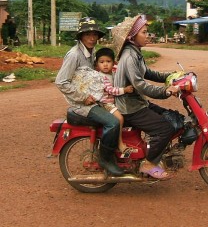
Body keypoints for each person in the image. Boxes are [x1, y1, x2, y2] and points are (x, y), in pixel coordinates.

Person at [112, 15, 179, 180]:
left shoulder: (135, 52)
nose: (147, 35)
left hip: (138, 102)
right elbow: (140, 85)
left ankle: (158, 154)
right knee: (165, 128)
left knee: (172, 118)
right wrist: (165, 92)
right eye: (144, 32)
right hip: (130, 107)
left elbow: (148, 73)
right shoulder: (129, 56)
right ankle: (148, 163)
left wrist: (171, 76)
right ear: (133, 36)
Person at [55, 17, 124, 176]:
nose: (92, 38)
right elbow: (61, 82)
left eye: (94, 35)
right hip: (83, 105)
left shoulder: (91, 53)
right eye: (87, 35)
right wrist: (82, 97)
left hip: (95, 99)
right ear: (81, 36)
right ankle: (105, 159)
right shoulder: (74, 55)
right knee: (113, 122)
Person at [94, 47, 136, 158]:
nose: (105, 65)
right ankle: (120, 144)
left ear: (113, 62)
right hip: (105, 103)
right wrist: (125, 90)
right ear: (97, 64)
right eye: (102, 62)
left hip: (112, 101)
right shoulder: (101, 76)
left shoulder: (112, 71)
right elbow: (110, 90)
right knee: (120, 118)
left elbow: (119, 68)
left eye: (108, 61)